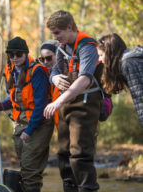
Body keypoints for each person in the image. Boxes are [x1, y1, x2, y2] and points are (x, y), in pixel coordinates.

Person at [43, 10, 102, 192]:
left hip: (85, 105)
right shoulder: (62, 46)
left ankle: (87, 188)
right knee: (63, 153)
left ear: (69, 27)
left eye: (57, 33)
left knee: (79, 154)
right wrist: (54, 79)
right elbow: (54, 71)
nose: (55, 37)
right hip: (66, 104)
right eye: (53, 34)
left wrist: (57, 102)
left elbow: (84, 80)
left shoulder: (87, 46)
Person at [0, 37, 54, 192]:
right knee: (25, 168)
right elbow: (13, 99)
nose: (15, 58)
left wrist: (29, 130)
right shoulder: (9, 70)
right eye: (11, 55)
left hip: (38, 124)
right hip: (19, 123)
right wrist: (0, 105)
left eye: (19, 54)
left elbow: (41, 105)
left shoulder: (37, 71)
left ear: (26, 54)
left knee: (30, 169)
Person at [96, 33, 143, 127]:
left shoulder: (128, 63)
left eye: (101, 55)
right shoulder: (130, 61)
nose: (100, 59)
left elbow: (141, 97)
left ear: (109, 52)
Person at [38, 40, 60, 127]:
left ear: (58, 55)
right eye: (42, 59)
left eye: (48, 58)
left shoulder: (65, 73)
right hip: (59, 124)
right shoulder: (45, 74)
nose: (45, 62)